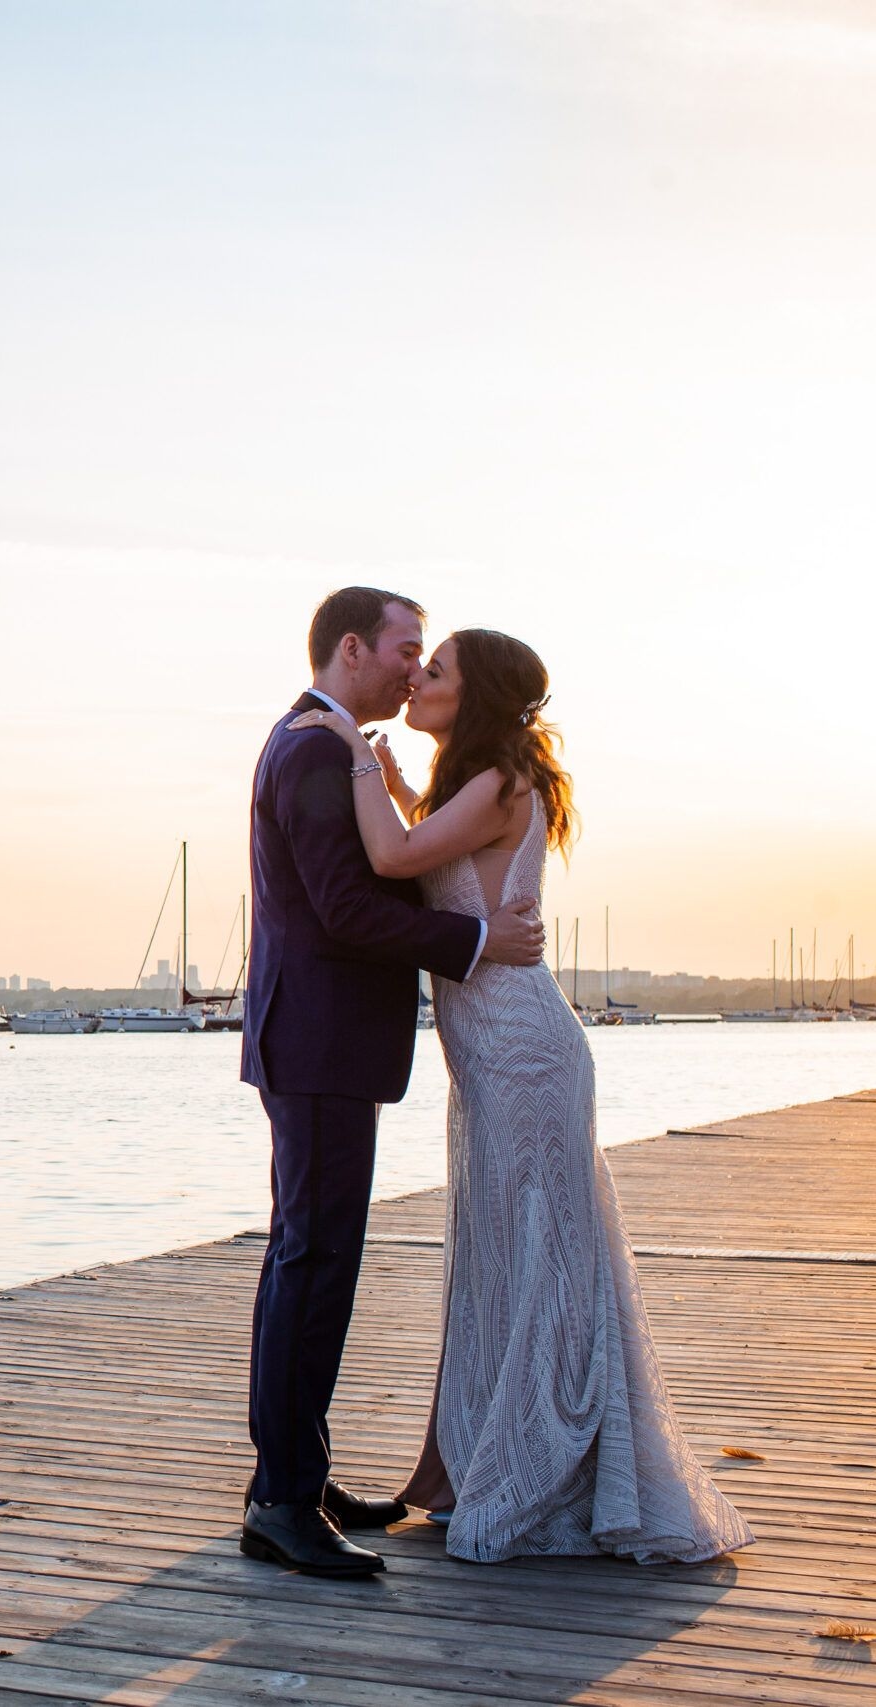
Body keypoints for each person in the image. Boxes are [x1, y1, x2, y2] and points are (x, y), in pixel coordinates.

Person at [291, 626, 752, 1565]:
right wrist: (398, 781)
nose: (419, 677)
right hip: (496, 1056)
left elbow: (392, 858)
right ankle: (475, 1463)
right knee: (502, 1258)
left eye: (439, 668)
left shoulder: (499, 784)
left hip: (525, 1055)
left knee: (538, 1261)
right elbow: (438, 858)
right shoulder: (484, 783)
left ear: (481, 695)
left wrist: (353, 758)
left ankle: (545, 1470)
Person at [239, 588, 547, 1578]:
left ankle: (294, 1474)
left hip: (320, 1045)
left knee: (309, 1256)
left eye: (428, 657)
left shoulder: (325, 746)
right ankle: (281, 1500)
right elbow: (340, 911)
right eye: (405, 650)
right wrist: (472, 938)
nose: (413, 670)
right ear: (351, 649)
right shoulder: (318, 750)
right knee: (314, 1260)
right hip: (320, 1046)